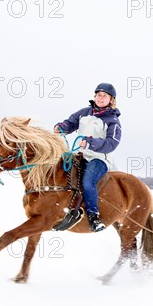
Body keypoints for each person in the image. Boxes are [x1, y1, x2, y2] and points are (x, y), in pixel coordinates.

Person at [54, 83, 121, 232]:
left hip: (99, 159)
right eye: (98, 95)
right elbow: (71, 123)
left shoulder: (113, 121)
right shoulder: (84, 112)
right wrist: (62, 127)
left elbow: (112, 143)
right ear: (95, 96)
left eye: (105, 96)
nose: (101, 98)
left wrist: (90, 143)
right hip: (80, 155)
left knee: (88, 181)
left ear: (111, 100)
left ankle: (93, 216)